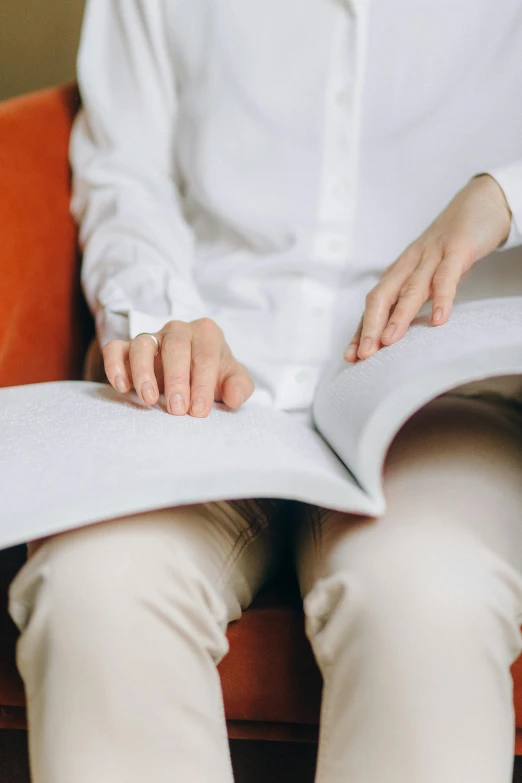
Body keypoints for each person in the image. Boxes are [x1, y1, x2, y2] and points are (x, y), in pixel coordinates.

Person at [7, 2, 522, 782]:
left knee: (428, 599)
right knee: (95, 591)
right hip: (204, 383)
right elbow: (125, 174)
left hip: (438, 397)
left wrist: (504, 195)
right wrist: (160, 318)